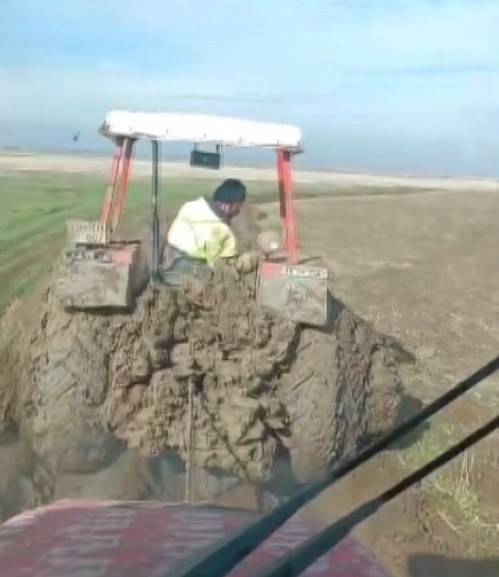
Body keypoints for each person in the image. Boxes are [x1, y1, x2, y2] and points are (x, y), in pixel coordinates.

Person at [161, 178, 258, 281]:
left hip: (170, 259)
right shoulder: (220, 230)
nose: (239, 210)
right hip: (190, 271)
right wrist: (248, 262)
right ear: (231, 205)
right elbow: (218, 265)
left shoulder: (191, 206)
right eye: (239, 205)